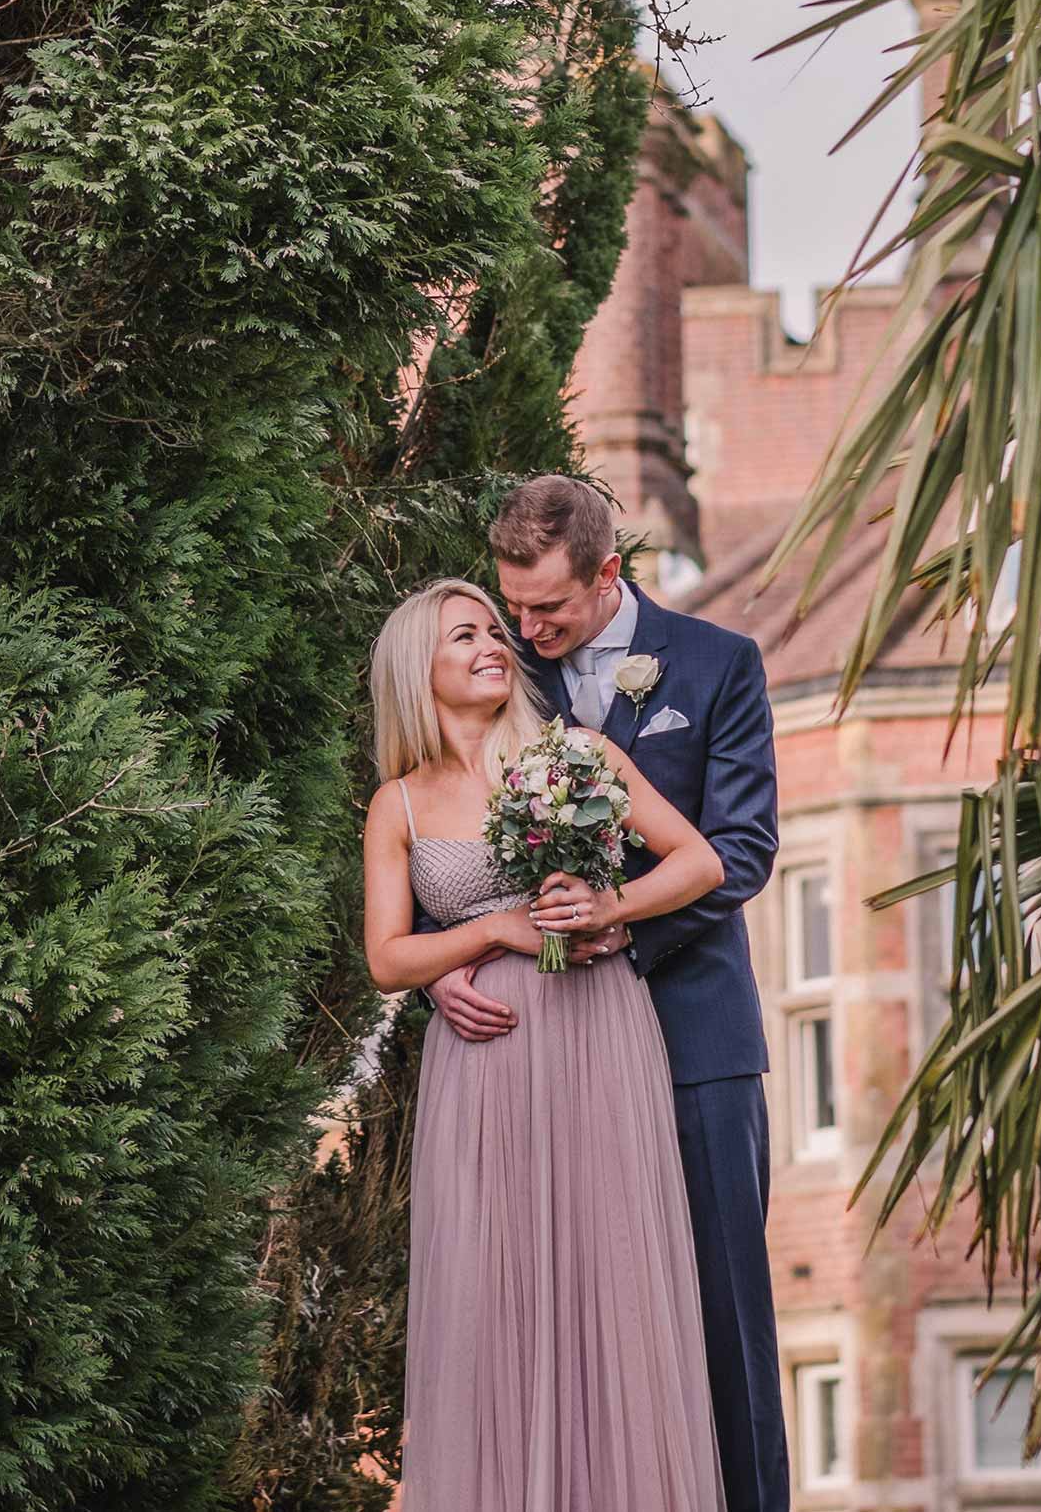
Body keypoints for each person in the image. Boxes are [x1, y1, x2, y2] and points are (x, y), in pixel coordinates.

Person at [427, 474, 790, 1512]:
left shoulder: (718, 666)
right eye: (513, 605)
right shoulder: (504, 679)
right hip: (543, 1054)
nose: (525, 629)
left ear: (609, 575)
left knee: (720, 1313)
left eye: (547, 607)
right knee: (567, 1320)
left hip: (692, 1038)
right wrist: (443, 974)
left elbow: (743, 851)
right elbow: (447, 853)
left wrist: (616, 920)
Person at [364, 578, 729, 1510]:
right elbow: (387, 957)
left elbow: (699, 860)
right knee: (491, 1304)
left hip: (596, 1036)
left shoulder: (575, 752)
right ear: (420, 668)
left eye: (496, 628)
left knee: (611, 1284)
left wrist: (615, 905)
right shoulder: (397, 804)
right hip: (482, 1071)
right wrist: (487, 935)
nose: (494, 642)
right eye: (466, 634)